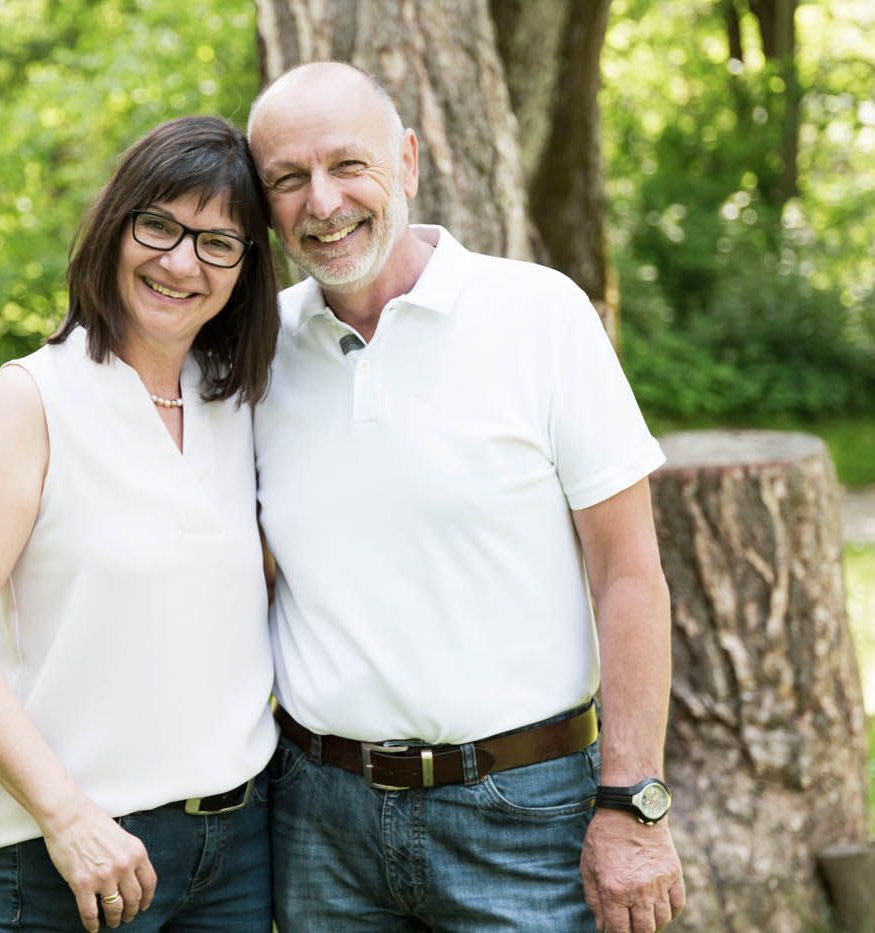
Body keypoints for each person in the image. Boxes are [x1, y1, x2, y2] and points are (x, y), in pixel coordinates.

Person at [247, 62, 686, 932]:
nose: (323, 202)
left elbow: (629, 572)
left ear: (407, 162)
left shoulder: (539, 315)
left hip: (522, 811)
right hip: (316, 817)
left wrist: (633, 805)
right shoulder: (258, 354)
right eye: (288, 180)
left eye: (348, 165)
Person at [0, 115, 281, 933]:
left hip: (241, 848)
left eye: (218, 242)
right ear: (117, 226)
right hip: (85, 855)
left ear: (246, 269)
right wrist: (67, 817)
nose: (182, 261)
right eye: (160, 225)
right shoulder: (34, 397)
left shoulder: (241, 403)